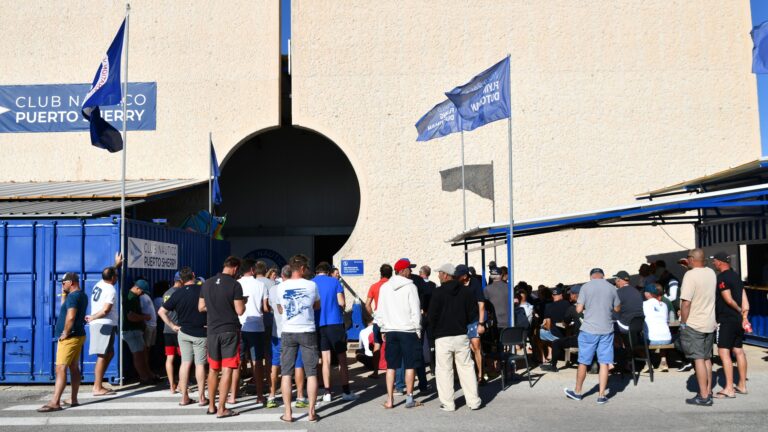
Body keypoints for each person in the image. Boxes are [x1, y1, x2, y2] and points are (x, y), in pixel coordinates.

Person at [428, 263, 481, 412]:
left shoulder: (437, 293)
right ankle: (474, 401)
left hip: (442, 337)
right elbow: (472, 314)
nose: (438, 275)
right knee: (466, 368)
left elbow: (432, 316)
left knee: (444, 370)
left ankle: (448, 403)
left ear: (445, 275)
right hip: (461, 335)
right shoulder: (466, 292)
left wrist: (433, 333)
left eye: (439, 273)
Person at [199, 256, 246, 418]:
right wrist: (243, 303)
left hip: (212, 330)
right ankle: (222, 408)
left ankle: (211, 406)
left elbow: (201, 307)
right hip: (229, 330)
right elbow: (239, 311)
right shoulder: (235, 284)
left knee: (213, 369)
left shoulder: (207, 283)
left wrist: (215, 307)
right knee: (227, 369)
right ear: (235, 268)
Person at [564, 268, 620, 404]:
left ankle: (578, 392)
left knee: (583, 361)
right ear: (603, 276)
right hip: (606, 329)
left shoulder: (586, 287)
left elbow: (578, 309)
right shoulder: (612, 287)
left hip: (589, 329)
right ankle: (601, 395)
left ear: (591, 277)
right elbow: (617, 308)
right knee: (604, 362)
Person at [276, 254, 321, 423]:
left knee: (286, 373)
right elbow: (317, 306)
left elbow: (280, 309)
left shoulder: (281, 286)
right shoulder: (312, 285)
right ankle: (311, 412)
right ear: (302, 269)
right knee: (311, 373)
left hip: (288, 331)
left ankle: (288, 413)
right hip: (307, 330)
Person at [376, 258, 423, 409]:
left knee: (391, 366)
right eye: (409, 268)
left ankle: (390, 399)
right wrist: (418, 329)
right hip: (408, 330)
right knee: (410, 365)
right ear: (402, 270)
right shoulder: (411, 287)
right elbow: (415, 311)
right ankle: (409, 398)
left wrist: (383, 328)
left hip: (390, 330)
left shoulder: (385, 287)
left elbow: (379, 311)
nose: (411, 271)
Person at [37, 273, 88, 412]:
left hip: (70, 337)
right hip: (78, 335)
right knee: (73, 367)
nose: (62, 285)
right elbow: (65, 309)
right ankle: (74, 399)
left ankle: (55, 402)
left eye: (63, 283)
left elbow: (70, 316)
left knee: (60, 368)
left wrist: (65, 332)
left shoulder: (73, 297)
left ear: (71, 282)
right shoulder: (81, 295)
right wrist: (64, 293)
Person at [158, 267, 209, 408]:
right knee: (199, 364)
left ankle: (184, 397)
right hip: (200, 331)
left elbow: (161, 311)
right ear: (194, 275)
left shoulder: (177, 293)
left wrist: (173, 326)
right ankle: (201, 397)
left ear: (180, 279)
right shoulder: (202, 290)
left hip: (183, 332)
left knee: (185, 363)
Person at [313, 261, 358, 402]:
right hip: (335, 323)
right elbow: (341, 303)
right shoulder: (335, 282)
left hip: (319, 324)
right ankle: (346, 391)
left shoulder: (311, 283)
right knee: (341, 359)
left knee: (324, 359)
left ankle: (327, 392)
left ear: (317, 271)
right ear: (328, 271)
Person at [265, 264, 308, 409]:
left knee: (276, 365)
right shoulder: (298, 288)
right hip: (295, 331)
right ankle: (301, 396)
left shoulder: (273, 289)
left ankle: (271, 395)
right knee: (298, 364)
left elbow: (273, 308)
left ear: (282, 276)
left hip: (278, 332)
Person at [679, 249, 717, 406]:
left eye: (688, 259)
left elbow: (686, 302)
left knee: (698, 359)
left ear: (692, 259)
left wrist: (683, 322)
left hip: (694, 323)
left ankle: (703, 396)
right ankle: (708, 391)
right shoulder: (711, 273)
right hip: (709, 322)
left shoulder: (690, 275)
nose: (687, 261)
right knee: (707, 358)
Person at [711, 252, 750, 398]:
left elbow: (728, 299)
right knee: (738, 350)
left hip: (726, 319)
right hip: (737, 320)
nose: (714, 263)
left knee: (723, 352)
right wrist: (744, 316)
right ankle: (742, 385)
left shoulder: (722, 277)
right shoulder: (736, 276)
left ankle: (729, 388)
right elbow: (744, 297)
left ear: (720, 262)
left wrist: (740, 310)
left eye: (714, 261)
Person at [85, 253, 122, 396]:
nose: (117, 278)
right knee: (102, 355)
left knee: (109, 353)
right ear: (113, 278)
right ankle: (97, 387)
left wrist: (116, 264)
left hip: (105, 324)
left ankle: (98, 383)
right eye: (116, 276)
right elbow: (106, 309)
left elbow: (109, 272)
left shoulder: (99, 283)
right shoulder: (111, 289)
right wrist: (92, 317)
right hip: (103, 324)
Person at [237, 259, 269, 404]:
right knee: (257, 361)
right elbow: (265, 307)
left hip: (239, 325)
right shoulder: (261, 284)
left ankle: (233, 393)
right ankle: (260, 395)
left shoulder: (236, 283)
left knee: (237, 361)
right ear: (252, 269)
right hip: (257, 326)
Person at [455, 264, 486, 385]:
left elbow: (481, 304)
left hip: (474, 320)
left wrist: (481, 323)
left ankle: (480, 376)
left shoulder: (475, 284)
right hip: (461, 321)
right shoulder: (457, 285)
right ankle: (463, 376)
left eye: (458, 275)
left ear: (464, 276)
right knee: (462, 349)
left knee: (476, 347)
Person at [122, 279, 153, 383]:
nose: (142, 294)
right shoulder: (131, 298)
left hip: (134, 330)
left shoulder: (133, 297)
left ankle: (147, 375)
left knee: (141, 353)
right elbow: (131, 317)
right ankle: (144, 377)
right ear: (137, 288)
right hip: (132, 330)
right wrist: (145, 317)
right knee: (138, 355)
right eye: (142, 291)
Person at [365, 263, 392, 378]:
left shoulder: (374, 286)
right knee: (392, 346)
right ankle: (391, 371)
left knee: (377, 345)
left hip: (378, 319)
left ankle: (375, 371)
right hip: (390, 320)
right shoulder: (392, 286)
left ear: (380, 273)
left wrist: (373, 315)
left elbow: (367, 304)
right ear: (391, 274)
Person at [549, 284, 583, 372]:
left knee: (556, 343)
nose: (569, 296)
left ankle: (553, 366)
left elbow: (566, 322)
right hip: (595, 337)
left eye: (570, 294)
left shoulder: (572, 308)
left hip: (581, 339)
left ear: (575, 295)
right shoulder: (592, 306)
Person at [161, 273, 183, 393]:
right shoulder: (180, 293)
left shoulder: (166, 293)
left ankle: (171, 385)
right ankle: (180, 383)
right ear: (180, 281)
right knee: (184, 358)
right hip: (178, 329)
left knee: (170, 357)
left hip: (167, 330)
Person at [642, 283, 672, 372]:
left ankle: (648, 363)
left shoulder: (644, 304)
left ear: (647, 294)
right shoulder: (664, 305)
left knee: (636, 341)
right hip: (667, 338)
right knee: (661, 334)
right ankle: (663, 361)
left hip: (652, 339)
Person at [539, 285, 570, 367]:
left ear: (553, 296)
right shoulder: (567, 304)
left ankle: (543, 357)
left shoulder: (548, 306)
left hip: (555, 335)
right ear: (561, 295)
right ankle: (550, 354)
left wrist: (543, 326)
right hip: (566, 334)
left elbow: (548, 326)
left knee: (538, 334)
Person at [138, 280, 158, 379]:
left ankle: (147, 371)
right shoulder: (146, 297)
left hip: (150, 325)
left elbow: (140, 311)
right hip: (151, 325)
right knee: (146, 350)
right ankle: (147, 371)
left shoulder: (142, 297)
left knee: (146, 350)